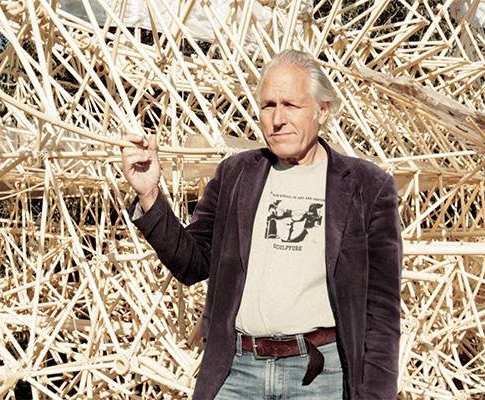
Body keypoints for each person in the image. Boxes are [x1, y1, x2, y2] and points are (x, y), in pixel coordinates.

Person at [120, 49, 402, 400]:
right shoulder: (236, 175)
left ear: (323, 110)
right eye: (268, 105)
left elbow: (382, 310)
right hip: (238, 372)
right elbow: (192, 263)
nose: (277, 119)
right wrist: (149, 195)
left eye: (291, 105)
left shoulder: (367, 186)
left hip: (320, 378)